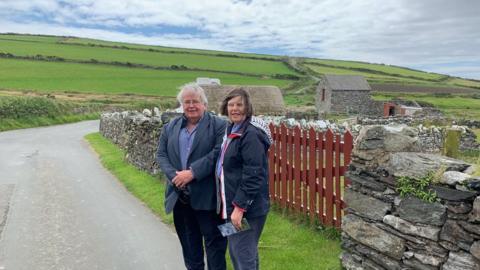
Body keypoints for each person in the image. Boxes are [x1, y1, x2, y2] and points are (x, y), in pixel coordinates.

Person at [156, 83, 227, 270]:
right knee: (190, 247)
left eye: (195, 101)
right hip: (180, 198)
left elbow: (219, 153)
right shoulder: (170, 127)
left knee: (215, 246)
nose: (191, 106)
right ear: (182, 105)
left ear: (204, 103)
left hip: (209, 199)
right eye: (186, 102)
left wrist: (192, 173)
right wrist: (175, 177)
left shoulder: (219, 125)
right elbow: (161, 155)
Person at [215, 88, 272, 270]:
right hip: (231, 206)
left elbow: (254, 174)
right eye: (231, 105)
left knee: (243, 255)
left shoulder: (251, 135)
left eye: (239, 104)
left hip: (246, 209)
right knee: (238, 251)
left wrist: (239, 208)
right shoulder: (232, 129)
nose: (235, 109)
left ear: (248, 107)